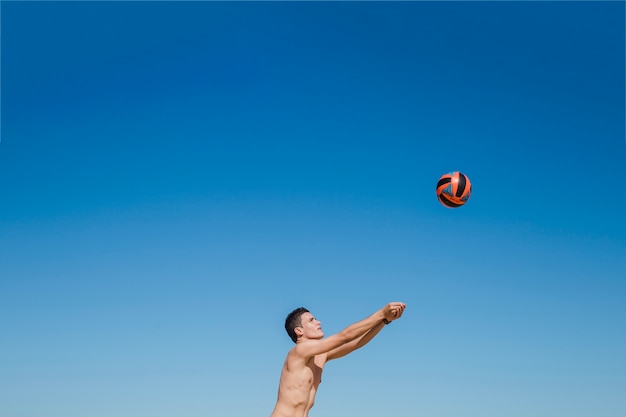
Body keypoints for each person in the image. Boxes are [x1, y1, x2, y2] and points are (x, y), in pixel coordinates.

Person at [269, 302, 406, 417]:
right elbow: (344, 336)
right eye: (311, 320)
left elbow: (354, 344)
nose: (318, 322)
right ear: (299, 331)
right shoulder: (299, 351)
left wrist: (384, 321)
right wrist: (381, 313)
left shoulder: (320, 357)